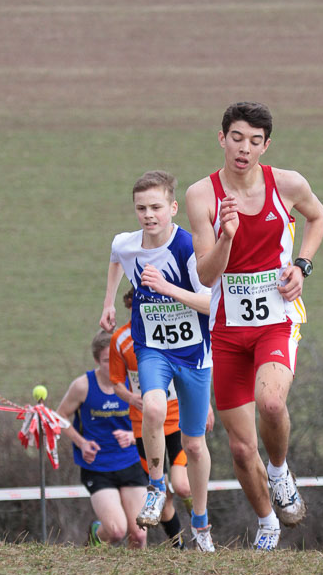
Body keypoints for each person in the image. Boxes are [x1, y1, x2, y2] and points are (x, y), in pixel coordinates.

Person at [185, 101, 323, 550]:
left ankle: (280, 471)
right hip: (227, 329)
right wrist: (226, 236)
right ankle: (268, 524)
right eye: (236, 138)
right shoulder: (201, 196)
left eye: (254, 141)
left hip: (276, 320)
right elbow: (206, 276)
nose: (243, 149)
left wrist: (302, 265)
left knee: (270, 402)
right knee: (241, 449)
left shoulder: (287, 184)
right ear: (222, 139)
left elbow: (318, 216)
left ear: (266, 145)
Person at [99, 170, 215, 553]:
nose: (148, 215)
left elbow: (211, 304)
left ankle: (201, 522)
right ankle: (154, 486)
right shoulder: (126, 243)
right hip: (152, 346)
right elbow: (116, 258)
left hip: (194, 352)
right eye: (141, 208)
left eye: (156, 207)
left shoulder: (189, 247)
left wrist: (167, 288)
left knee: (194, 445)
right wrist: (108, 303)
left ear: (173, 208)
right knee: (151, 406)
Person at [110, 289, 214, 549]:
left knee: (181, 485)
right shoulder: (121, 340)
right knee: (163, 495)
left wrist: (207, 406)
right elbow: (116, 382)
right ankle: (178, 546)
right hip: (144, 425)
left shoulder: (175, 325)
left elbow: (195, 373)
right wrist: (131, 397)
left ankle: (199, 522)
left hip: (176, 418)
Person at [55, 330, 148, 549]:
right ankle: (96, 534)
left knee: (139, 535)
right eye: (107, 360)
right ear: (97, 360)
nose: (114, 365)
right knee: (116, 531)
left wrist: (134, 437)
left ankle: (137, 571)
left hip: (132, 463)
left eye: (118, 359)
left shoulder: (136, 383)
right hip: (97, 467)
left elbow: (158, 419)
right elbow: (59, 416)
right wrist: (81, 443)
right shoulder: (83, 386)